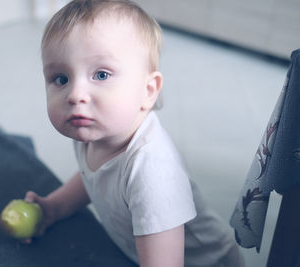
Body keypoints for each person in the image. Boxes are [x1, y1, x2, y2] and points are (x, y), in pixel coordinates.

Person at [23, 0, 244, 266]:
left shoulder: (152, 171)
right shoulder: (92, 129)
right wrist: (54, 207)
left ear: (148, 90)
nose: (75, 95)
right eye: (61, 79)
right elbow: (95, 179)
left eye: (101, 75)